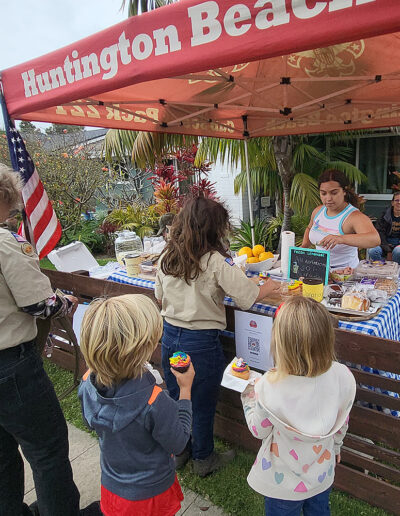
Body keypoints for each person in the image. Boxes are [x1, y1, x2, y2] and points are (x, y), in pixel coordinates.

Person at [155, 197, 280, 477]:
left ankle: (180, 450)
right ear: (214, 228)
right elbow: (247, 297)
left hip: (170, 338)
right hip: (199, 343)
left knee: (177, 396)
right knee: (202, 403)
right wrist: (269, 285)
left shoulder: (167, 254)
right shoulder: (215, 261)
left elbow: (159, 296)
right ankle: (203, 458)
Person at [0, 164, 82, 516]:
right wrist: (65, 301)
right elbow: (39, 304)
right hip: (11, 366)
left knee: (2, 453)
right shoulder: (6, 244)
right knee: (47, 450)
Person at [78, 294, 194, 516]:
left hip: (113, 485)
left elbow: (89, 421)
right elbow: (179, 443)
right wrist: (185, 390)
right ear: (141, 349)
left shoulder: (87, 382)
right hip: (151, 494)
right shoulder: (154, 400)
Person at [241, 297, 356, 516]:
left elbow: (259, 430)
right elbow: (343, 421)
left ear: (279, 344)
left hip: (282, 483)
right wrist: (337, 447)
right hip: (322, 473)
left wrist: (248, 395)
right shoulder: (342, 376)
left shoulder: (269, 386)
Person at [302, 169, 380, 269]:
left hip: (345, 275)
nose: (328, 198)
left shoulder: (354, 216)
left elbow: (374, 239)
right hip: (319, 270)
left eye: (334, 193)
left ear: (344, 191)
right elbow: (309, 228)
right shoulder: (318, 211)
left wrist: (340, 239)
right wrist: (303, 247)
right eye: (323, 193)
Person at [368, 191, 400, 264]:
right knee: (373, 251)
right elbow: (380, 233)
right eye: (397, 200)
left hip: (398, 243)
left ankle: (395, 271)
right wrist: (388, 250)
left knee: (398, 251)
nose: (399, 202)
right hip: (384, 242)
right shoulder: (385, 216)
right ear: (392, 203)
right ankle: (382, 268)